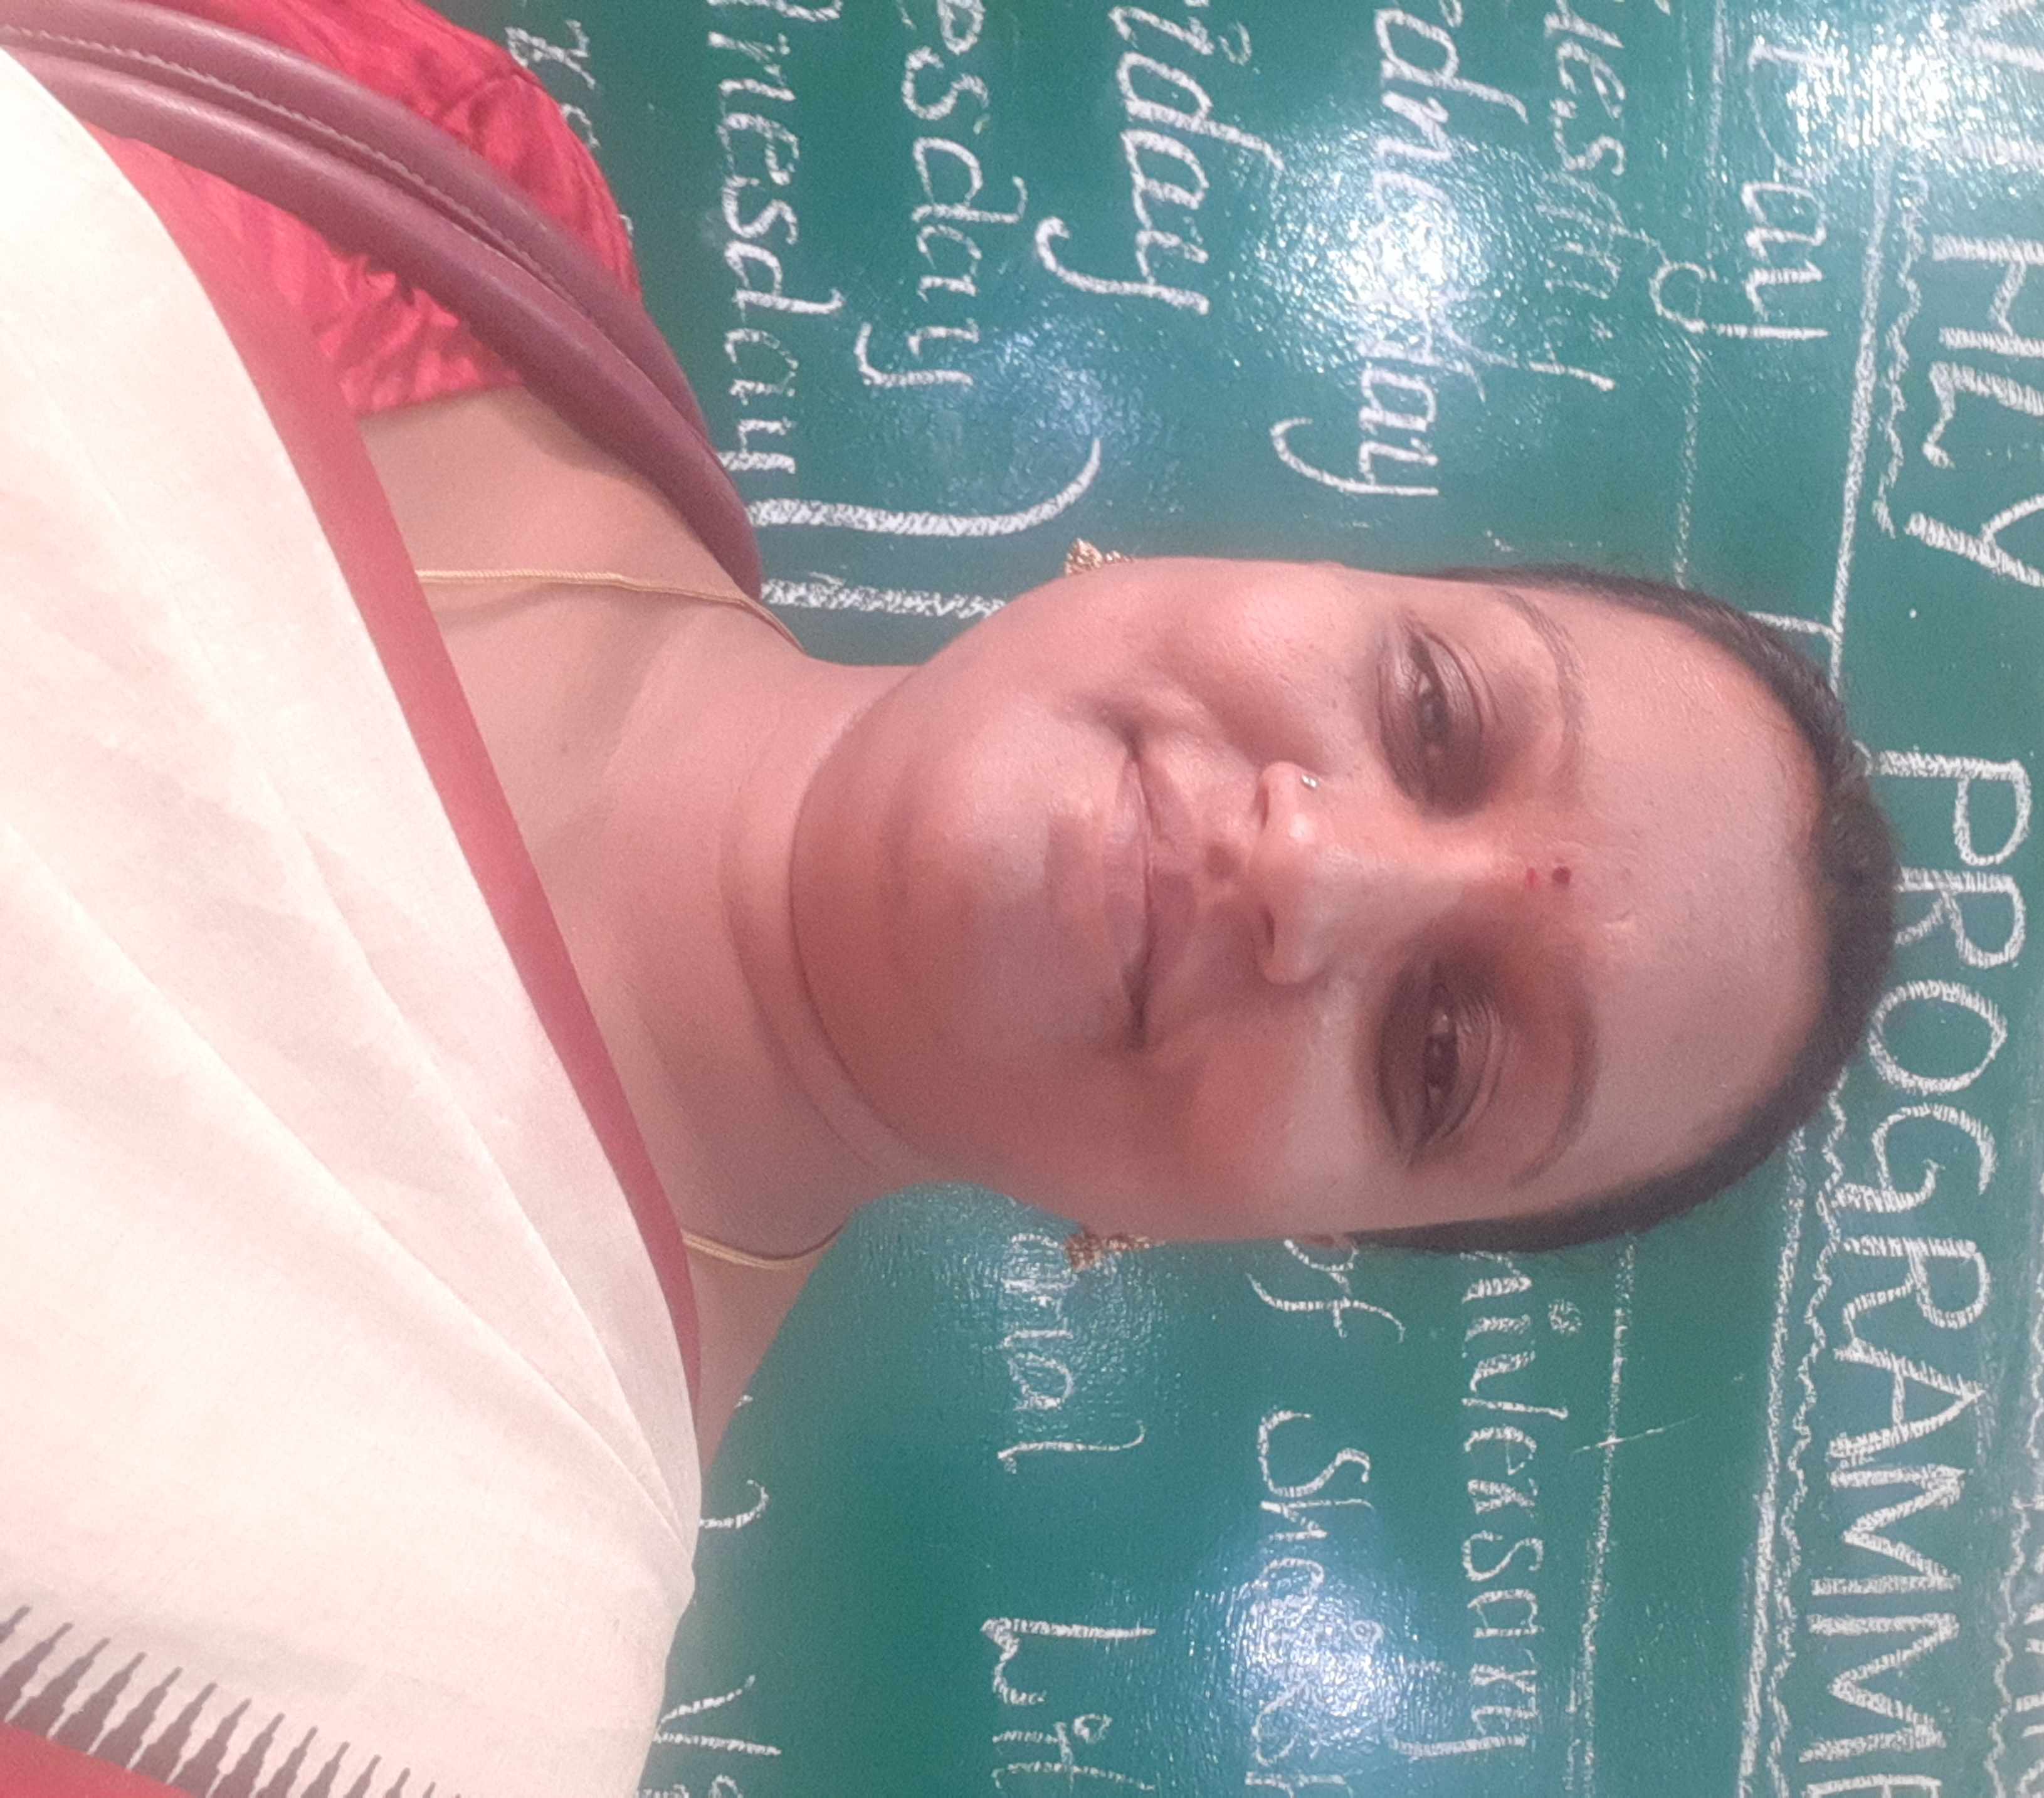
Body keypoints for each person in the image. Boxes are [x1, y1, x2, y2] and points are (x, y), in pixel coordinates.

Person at [0, 2, 1895, 1795]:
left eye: (1442, 1054)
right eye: (1432, 713)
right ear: (1305, 565)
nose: (1309, 872)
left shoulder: (397, 1690)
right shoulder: (419, 179)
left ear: (1280, 1227)